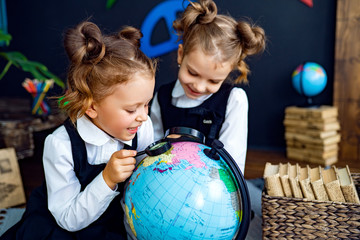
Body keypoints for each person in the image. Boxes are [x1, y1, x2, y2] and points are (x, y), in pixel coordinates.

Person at [1, 21, 156, 240]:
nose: (143, 116)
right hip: (66, 224)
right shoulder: (60, 145)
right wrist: (107, 179)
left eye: (147, 103)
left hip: (113, 219)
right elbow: (68, 219)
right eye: (131, 109)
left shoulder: (142, 127)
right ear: (91, 107)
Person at [150, 0, 266, 174]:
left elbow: (232, 162)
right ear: (181, 55)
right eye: (192, 73)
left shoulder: (234, 100)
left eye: (213, 81)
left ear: (228, 73)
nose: (199, 86)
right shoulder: (163, 96)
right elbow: (150, 147)